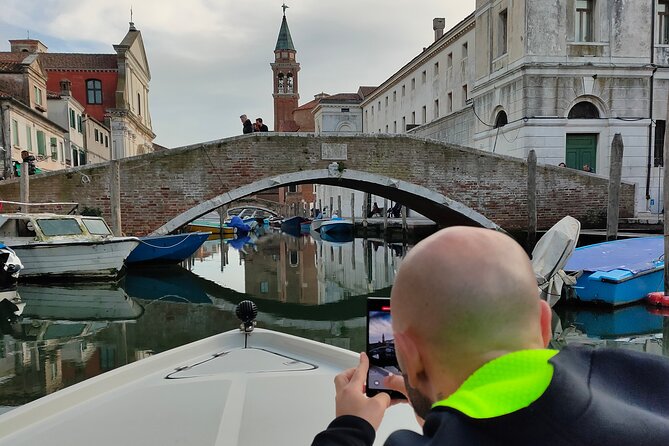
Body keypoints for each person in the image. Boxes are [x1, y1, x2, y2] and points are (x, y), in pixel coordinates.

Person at [312, 226, 669, 445]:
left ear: (407, 355)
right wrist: (440, 408)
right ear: (544, 326)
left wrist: (350, 426)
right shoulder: (647, 379)